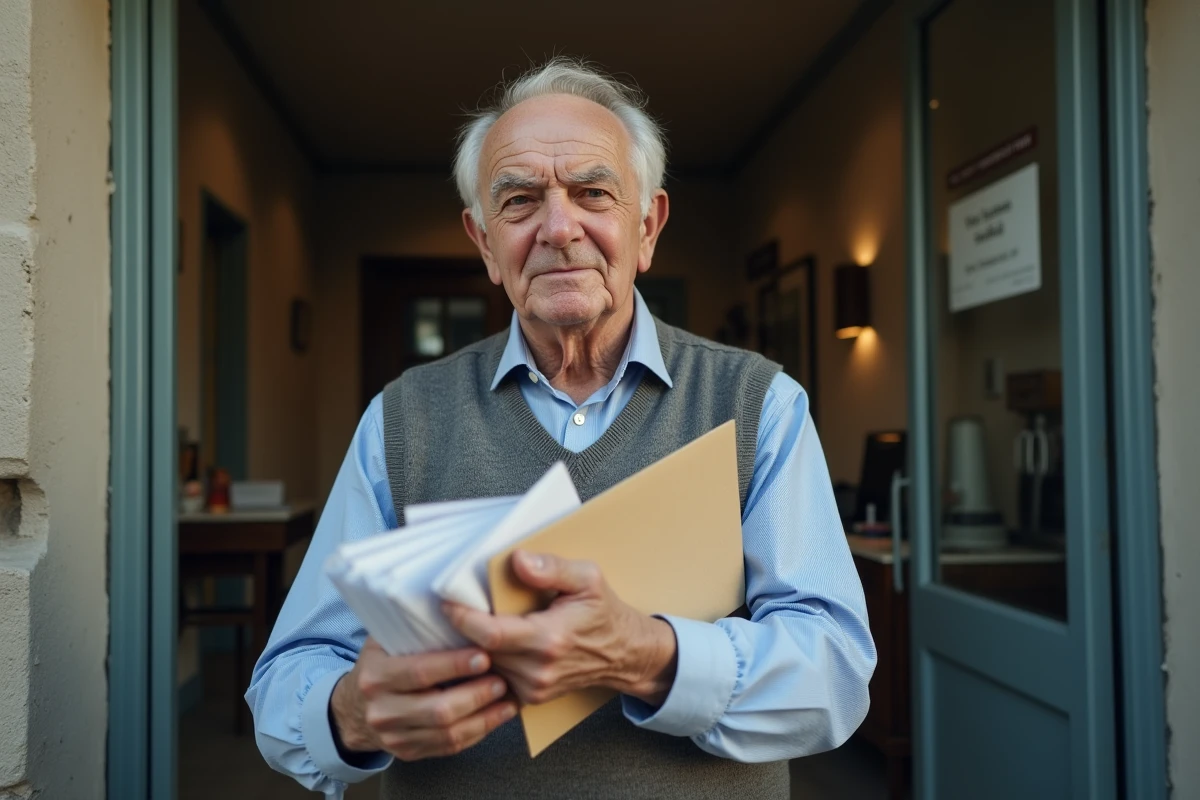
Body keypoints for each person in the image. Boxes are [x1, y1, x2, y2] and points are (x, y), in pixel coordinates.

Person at [246, 58, 876, 799]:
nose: (557, 227)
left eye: (592, 193)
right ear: (484, 243)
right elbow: (289, 676)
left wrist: (647, 657)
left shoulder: (760, 405)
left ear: (647, 228)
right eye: (519, 201)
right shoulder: (401, 419)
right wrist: (350, 711)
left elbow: (835, 674)